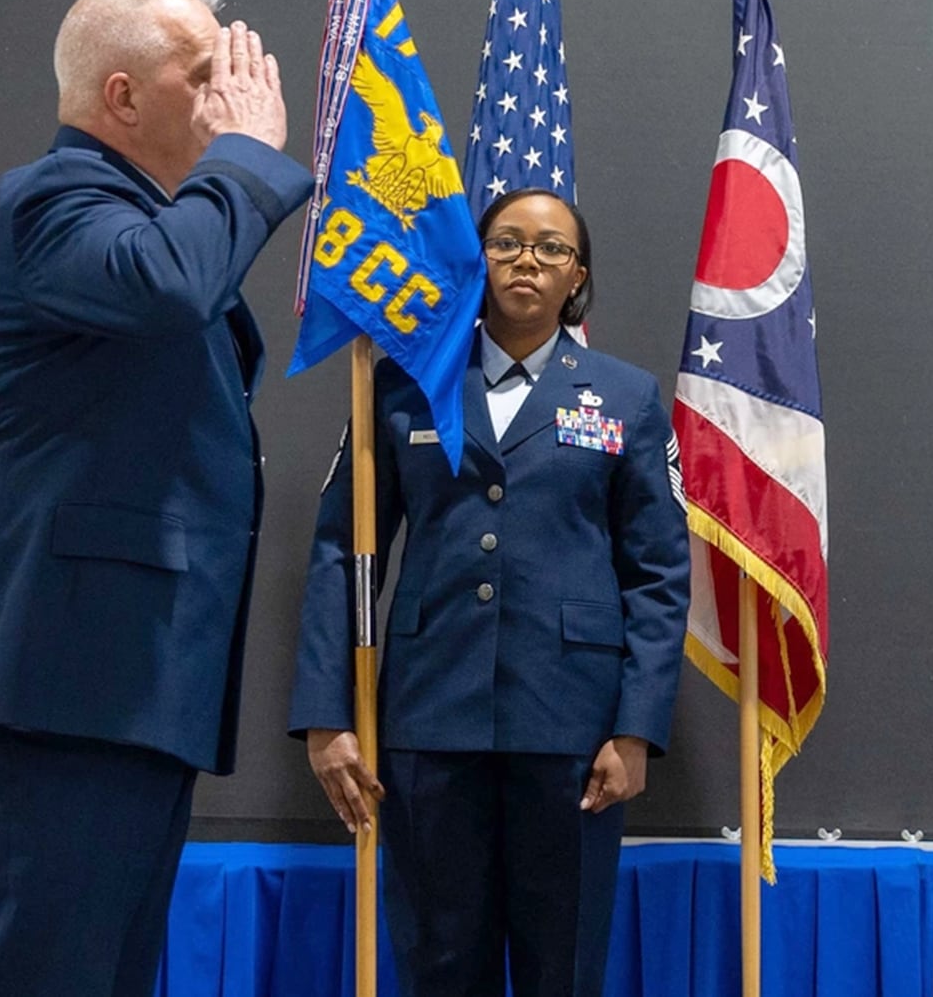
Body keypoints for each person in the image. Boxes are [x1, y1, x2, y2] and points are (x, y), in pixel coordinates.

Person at [0, 0, 312, 997]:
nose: (231, 95)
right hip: (69, 684)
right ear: (123, 98)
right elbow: (169, 285)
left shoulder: (139, 215)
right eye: (204, 75)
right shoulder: (53, 199)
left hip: (121, 687)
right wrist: (249, 158)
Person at [290, 188, 691, 997]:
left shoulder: (625, 396)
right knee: (440, 965)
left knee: (563, 968)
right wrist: (326, 714)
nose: (528, 262)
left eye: (551, 249)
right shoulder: (401, 383)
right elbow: (343, 547)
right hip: (431, 720)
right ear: (479, 260)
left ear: (577, 275)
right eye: (508, 243)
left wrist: (638, 728)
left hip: (573, 732)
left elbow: (658, 574)